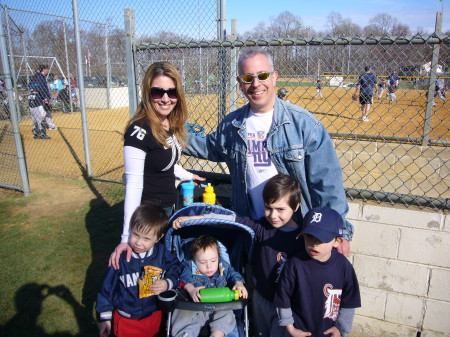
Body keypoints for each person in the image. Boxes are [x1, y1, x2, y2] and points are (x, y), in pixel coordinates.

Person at [184, 48, 353, 256]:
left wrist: (338, 232)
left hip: (298, 232)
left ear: (274, 78)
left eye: (262, 76)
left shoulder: (304, 125)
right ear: (240, 83)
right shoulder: (232, 124)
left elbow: (328, 184)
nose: (256, 84)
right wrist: (169, 132)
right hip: (254, 229)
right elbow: (209, 147)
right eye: (248, 78)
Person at [173, 173, 303, 337]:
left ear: (296, 206)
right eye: (268, 208)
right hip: (262, 297)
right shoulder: (262, 228)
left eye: (280, 209)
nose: (273, 215)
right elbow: (230, 219)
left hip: (288, 302)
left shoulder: (304, 237)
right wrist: (196, 217)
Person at [109, 61, 205, 269]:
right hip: (148, 214)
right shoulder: (139, 130)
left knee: (161, 266)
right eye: (157, 92)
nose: (165, 98)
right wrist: (126, 238)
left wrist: (188, 175)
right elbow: (133, 183)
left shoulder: (169, 122)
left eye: (171, 92)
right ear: (147, 93)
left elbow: (166, 163)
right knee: (145, 270)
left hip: (164, 209)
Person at [96, 204, 182, 337]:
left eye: (146, 238)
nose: (138, 242)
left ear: (158, 238)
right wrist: (105, 318)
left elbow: (176, 267)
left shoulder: (161, 253)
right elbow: (107, 288)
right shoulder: (121, 258)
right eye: (135, 235)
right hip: (126, 320)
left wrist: (167, 282)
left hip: (154, 316)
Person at [274, 206, 361, 337]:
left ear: (337, 241)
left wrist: (341, 329)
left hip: (328, 332)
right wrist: (290, 329)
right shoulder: (295, 264)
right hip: (298, 332)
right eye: (309, 237)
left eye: (321, 238)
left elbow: (349, 300)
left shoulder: (344, 266)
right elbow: (282, 298)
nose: (314, 244)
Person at [171, 235, 248, 337]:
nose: (209, 266)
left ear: (218, 257)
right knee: (184, 316)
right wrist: (191, 289)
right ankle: (185, 334)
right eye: (203, 262)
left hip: (220, 305)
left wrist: (238, 283)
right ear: (194, 259)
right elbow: (183, 280)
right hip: (195, 307)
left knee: (227, 314)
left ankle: (217, 334)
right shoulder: (190, 267)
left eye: (213, 261)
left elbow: (233, 274)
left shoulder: (222, 266)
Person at [34, 64, 57, 130]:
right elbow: (41, 88)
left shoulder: (41, 76)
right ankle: (47, 126)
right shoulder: (40, 77)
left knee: (46, 111)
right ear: (44, 69)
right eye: (47, 69)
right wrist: (45, 98)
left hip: (42, 97)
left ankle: (45, 125)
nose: (48, 70)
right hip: (42, 97)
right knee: (44, 112)